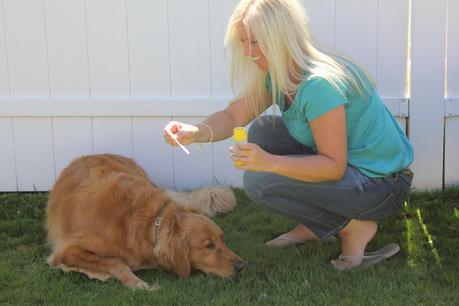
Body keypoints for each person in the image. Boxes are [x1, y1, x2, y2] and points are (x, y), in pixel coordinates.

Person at [163, 0, 413, 270]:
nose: (247, 51)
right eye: (244, 41)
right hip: (356, 172)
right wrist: (197, 132)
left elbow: (333, 166)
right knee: (263, 131)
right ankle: (315, 224)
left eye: (255, 42)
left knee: (260, 181)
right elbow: (235, 115)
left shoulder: (318, 85)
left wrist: (269, 162)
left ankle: (353, 227)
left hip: (383, 186)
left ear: (280, 38)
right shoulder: (279, 71)